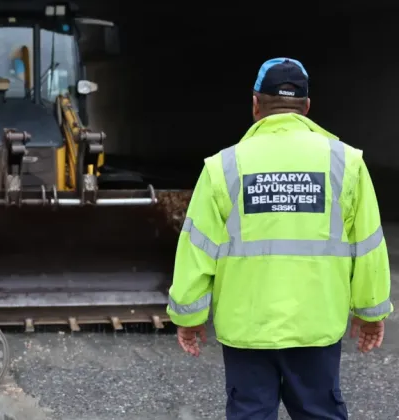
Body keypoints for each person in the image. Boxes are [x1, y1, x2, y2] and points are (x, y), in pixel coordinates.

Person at [166, 57, 392, 419]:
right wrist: (371, 311)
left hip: (247, 326)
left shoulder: (223, 166)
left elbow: (197, 248)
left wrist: (188, 315)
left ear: (255, 104)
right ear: (306, 107)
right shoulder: (346, 163)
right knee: (320, 412)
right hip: (316, 324)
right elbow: (367, 245)